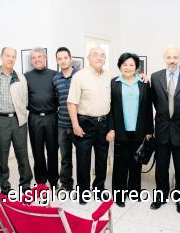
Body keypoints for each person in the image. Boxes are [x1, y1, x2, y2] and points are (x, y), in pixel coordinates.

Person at [150, 46, 180, 214]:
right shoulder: (155, 77)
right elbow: (154, 101)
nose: (172, 60)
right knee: (161, 166)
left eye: (175, 57)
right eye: (169, 57)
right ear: (164, 58)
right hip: (162, 129)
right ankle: (161, 196)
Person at [106, 52, 153, 207]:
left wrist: (149, 130)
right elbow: (110, 108)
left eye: (131, 64)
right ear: (120, 66)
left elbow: (148, 108)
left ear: (136, 67)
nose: (128, 67)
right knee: (120, 163)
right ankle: (119, 195)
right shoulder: (113, 83)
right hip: (120, 130)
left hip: (139, 130)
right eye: (125, 64)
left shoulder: (144, 83)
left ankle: (134, 192)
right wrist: (111, 128)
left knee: (136, 162)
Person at [0, 47, 32, 194]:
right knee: (2, 157)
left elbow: (25, 99)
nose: (11, 59)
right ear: (1, 57)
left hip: (19, 121)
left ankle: (26, 186)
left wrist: (21, 115)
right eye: (8, 56)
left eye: (13, 56)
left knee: (23, 155)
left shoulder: (20, 77)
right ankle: (5, 188)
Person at [67, 47, 111, 204]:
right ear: (88, 57)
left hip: (104, 123)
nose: (99, 57)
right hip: (85, 123)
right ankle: (83, 192)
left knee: (102, 159)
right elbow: (71, 103)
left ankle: (99, 189)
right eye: (95, 54)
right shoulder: (79, 76)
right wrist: (75, 125)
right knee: (83, 160)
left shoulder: (108, 75)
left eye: (102, 55)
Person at [24, 47, 59, 188]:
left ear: (45, 58)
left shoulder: (54, 75)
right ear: (31, 60)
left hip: (52, 118)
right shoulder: (26, 76)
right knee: (37, 152)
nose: (37, 59)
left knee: (52, 152)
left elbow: (59, 96)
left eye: (39, 56)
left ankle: (54, 181)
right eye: (34, 58)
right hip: (34, 118)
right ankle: (41, 182)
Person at [53, 47, 79, 191]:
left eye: (65, 57)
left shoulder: (80, 75)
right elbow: (57, 100)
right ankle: (66, 184)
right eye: (59, 58)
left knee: (82, 157)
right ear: (57, 61)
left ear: (71, 58)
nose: (63, 61)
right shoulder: (56, 78)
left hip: (79, 125)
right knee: (65, 158)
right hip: (62, 125)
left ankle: (83, 185)